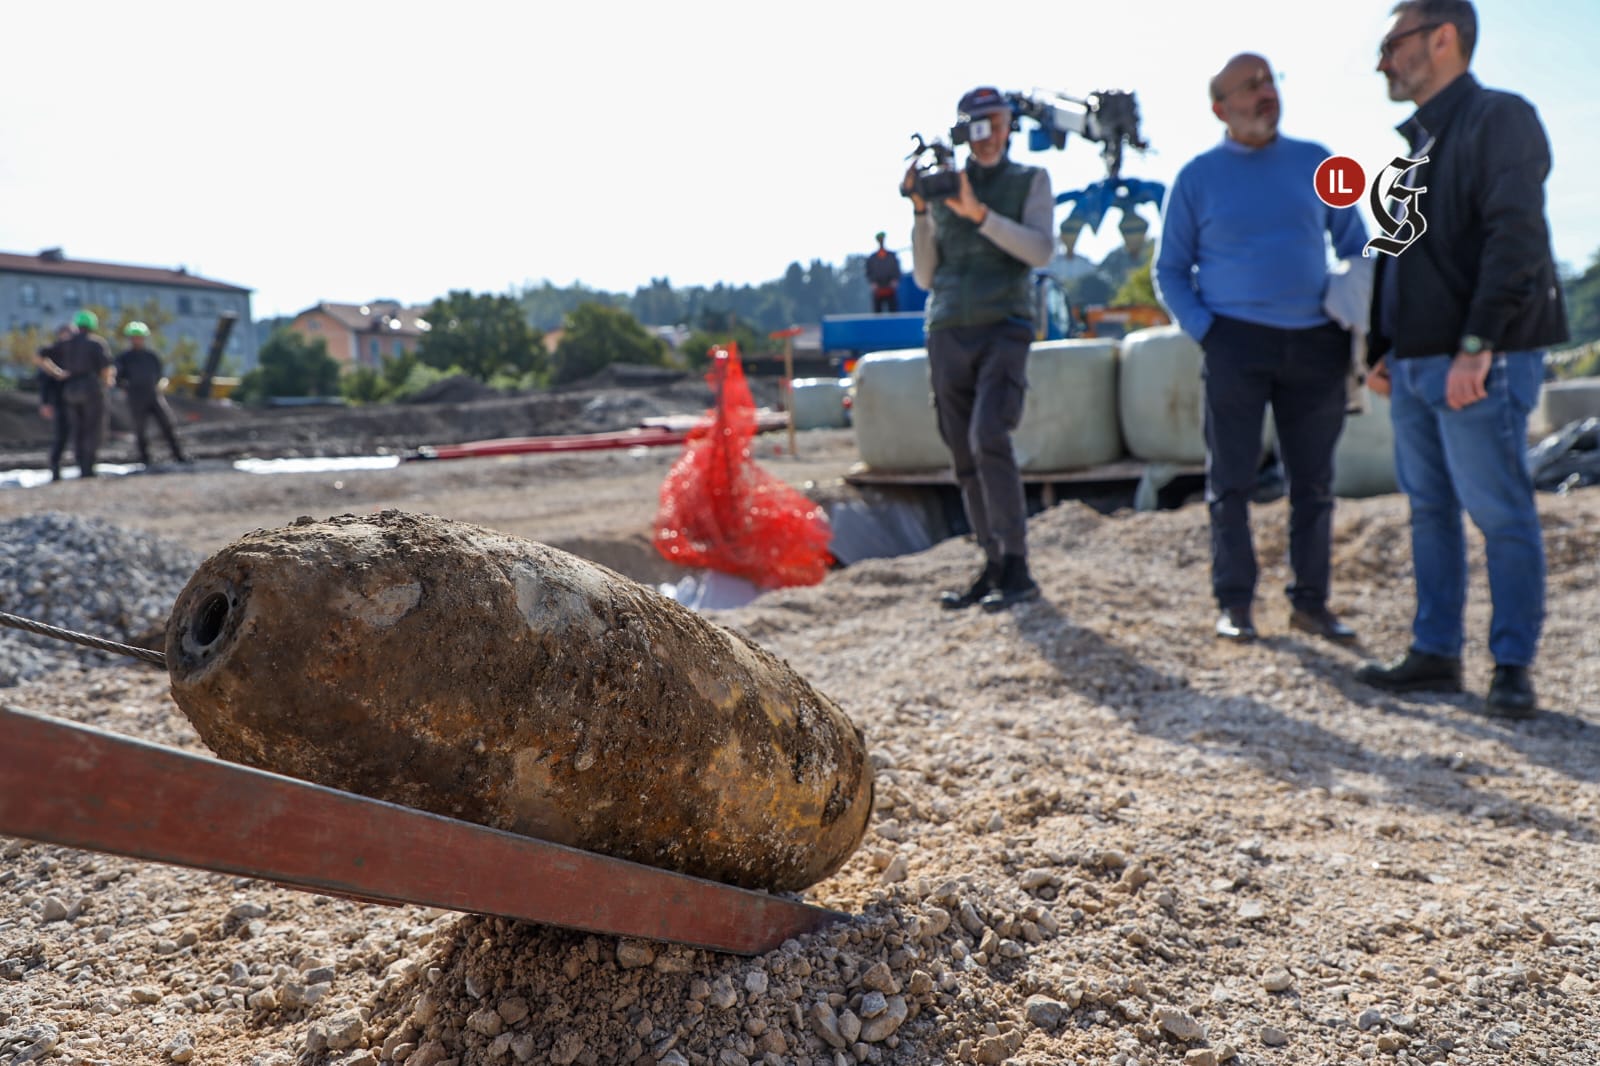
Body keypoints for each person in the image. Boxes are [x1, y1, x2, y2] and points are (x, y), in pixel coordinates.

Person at [1354, 0, 1567, 718]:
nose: (1382, 59)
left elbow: (1517, 238)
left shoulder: (1499, 118)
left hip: (1477, 362)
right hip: (1414, 365)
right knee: (1429, 512)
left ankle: (1511, 665)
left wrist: (1477, 344)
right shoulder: (1412, 145)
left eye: (1393, 43)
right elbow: (1395, 257)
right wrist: (1379, 351)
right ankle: (1436, 653)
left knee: (1500, 511)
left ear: (1443, 38)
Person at [1153, 52, 1369, 643]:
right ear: (1220, 108)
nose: (1264, 92)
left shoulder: (1319, 161)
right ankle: (1236, 604)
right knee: (1231, 483)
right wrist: (1210, 333)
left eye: (1269, 80)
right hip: (1235, 343)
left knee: (1315, 483)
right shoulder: (1196, 178)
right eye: (1248, 87)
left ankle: (1310, 603)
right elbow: (1170, 271)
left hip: (1316, 345)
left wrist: (1349, 311)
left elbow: (1357, 243)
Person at [902, 86, 1054, 611]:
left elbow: (1039, 250)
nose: (989, 135)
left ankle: (1018, 566)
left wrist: (979, 214)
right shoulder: (943, 186)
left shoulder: (1030, 180)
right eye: (978, 125)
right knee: (962, 451)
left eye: (997, 122)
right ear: (964, 130)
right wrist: (923, 212)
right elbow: (925, 275)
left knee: (990, 435)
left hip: (1004, 324)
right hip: (947, 328)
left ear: (1010, 126)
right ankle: (992, 563)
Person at [36, 310, 113, 479]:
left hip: (70, 390)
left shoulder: (66, 343)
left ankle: (80, 464)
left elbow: (40, 355)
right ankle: (88, 468)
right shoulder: (96, 343)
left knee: (77, 429)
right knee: (92, 428)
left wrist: (57, 372)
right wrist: (107, 382)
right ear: (93, 325)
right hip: (90, 388)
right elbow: (105, 368)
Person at [114, 321, 190, 467]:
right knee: (140, 429)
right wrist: (128, 389)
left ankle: (179, 455)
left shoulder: (151, 356)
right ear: (130, 339)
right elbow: (118, 379)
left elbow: (160, 375)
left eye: (139, 337)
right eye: (134, 337)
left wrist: (160, 385)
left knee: (168, 424)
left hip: (153, 395)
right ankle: (145, 459)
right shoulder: (124, 358)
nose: (137, 340)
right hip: (136, 397)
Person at [35, 324, 73, 481]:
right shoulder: (52, 350)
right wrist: (45, 402)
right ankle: (55, 469)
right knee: (61, 436)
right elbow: (43, 378)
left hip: (75, 399)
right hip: (59, 400)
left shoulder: (76, 352)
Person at [1098, 210, 1154, 294]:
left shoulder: (1155, 253)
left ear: (1144, 231)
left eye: (1137, 229)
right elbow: (1101, 279)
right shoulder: (1113, 258)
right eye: (1128, 231)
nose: (1133, 236)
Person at [865, 232, 903, 313]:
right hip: (878, 290)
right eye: (879, 239)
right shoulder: (872, 258)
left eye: (882, 239)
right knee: (877, 313)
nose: (881, 241)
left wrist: (895, 280)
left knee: (894, 312)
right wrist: (873, 283)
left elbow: (897, 270)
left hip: (890, 289)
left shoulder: (892, 256)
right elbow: (868, 272)